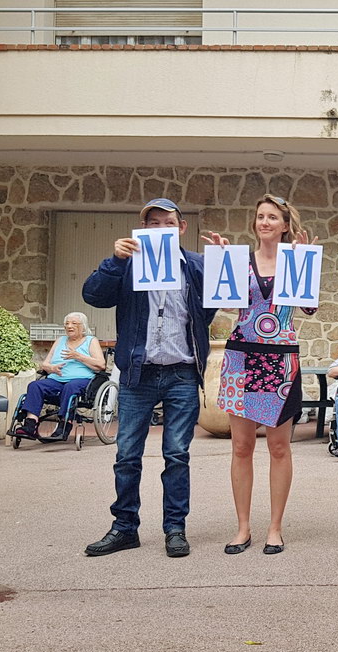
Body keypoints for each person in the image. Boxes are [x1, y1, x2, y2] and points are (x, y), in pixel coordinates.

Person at [82, 198, 221, 558]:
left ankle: (175, 529)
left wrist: (224, 262)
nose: (160, 229)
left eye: (167, 223)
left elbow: (217, 303)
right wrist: (114, 262)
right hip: (137, 375)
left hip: (181, 373)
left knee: (177, 455)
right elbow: (92, 295)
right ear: (143, 229)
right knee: (127, 455)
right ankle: (124, 528)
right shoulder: (127, 266)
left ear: (181, 228)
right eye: (153, 223)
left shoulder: (196, 266)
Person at [214, 194, 315, 556]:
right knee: (241, 447)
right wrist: (222, 264)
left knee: (278, 447)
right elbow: (226, 303)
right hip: (242, 358)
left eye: (273, 217)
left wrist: (305, 263)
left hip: (280, 361)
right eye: (260, 216)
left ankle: (275, 527)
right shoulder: (240, 261)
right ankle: (243, 527)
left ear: (285, 225)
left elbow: (309, 306)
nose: (265, 222)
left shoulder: (296, 261)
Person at [13, 312, 106, 442]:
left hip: (80, 381)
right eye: (67, 324)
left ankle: (64, 424)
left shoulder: (91, 340)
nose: (69, 326)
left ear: (83, 326)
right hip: (56, 379)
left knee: (70, 387)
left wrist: (77, 356)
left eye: (74, 323)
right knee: (35, 385)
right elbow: (45, 363)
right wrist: (51, 368)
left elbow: (101, 365)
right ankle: (30, 425)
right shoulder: (60, 340)